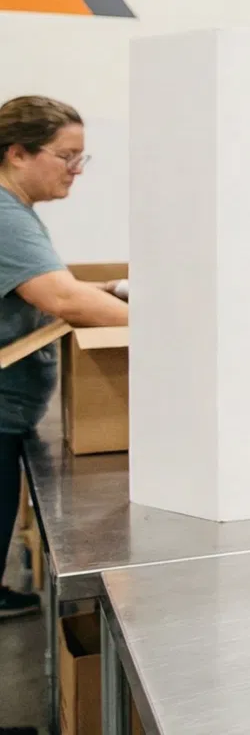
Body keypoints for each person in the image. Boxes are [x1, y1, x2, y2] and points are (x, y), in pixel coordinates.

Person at [1, 97, 128, 623]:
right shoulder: (5, 215)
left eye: (82, 158)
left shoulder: (17, 213)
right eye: (66, 155)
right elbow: (64, 300)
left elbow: (45, 289)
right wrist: (173, 332)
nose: (76, 170)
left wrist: (109, 289)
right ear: (17, 154)